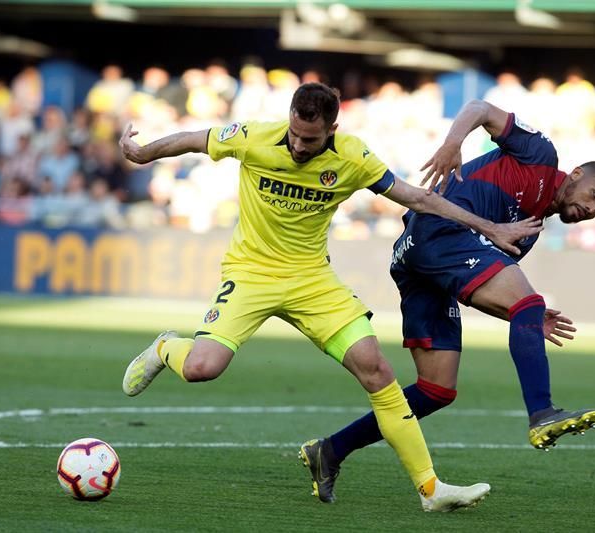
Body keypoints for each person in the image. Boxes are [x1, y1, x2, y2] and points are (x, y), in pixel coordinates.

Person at [118, 83, 541, 512]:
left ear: (332, 129)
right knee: (201, 368)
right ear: (289, 118)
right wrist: (144, 152)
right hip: (251, 275)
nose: (300, 146)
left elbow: (418, 198)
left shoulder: (353, 157)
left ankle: (431, 490)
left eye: (312, 139)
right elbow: (194, 138)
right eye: (296, 134)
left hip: (312, 281)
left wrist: (491, 229)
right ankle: (164, 347)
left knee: (377, 370)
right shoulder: (253, 137)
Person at [299, 98, 595, 504]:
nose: (592, 209)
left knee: (436, 389)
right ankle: (542, 412)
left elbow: (470, 285)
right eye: (594, 194)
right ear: (575, 174)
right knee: (528, 302)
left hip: (419, 259)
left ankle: (329, 451)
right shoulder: (541, 156)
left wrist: (518, 314)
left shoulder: (529, 229)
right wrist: (453, 144)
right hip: (439, 228)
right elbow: (479, 107)